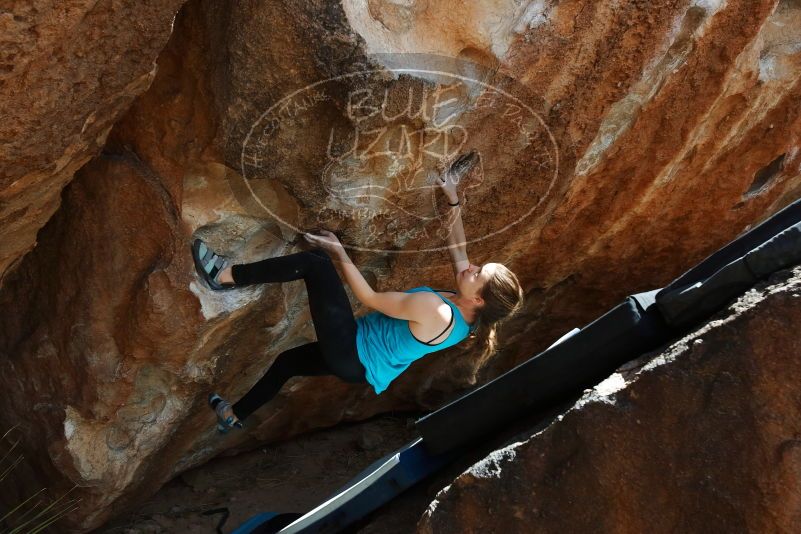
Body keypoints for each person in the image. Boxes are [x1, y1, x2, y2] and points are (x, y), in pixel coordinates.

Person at [192, 152, 524, 433]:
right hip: (359, 365)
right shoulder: (464, 313)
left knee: (316, 263)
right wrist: (452, 196)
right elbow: (460, 249)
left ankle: (222, 276)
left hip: (352, 350)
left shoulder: (435, 311)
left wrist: (339, 253)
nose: (472, 267)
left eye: (479, 273)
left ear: (478, 299)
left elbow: (369, 299)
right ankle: (234, 416)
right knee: (287, 363)